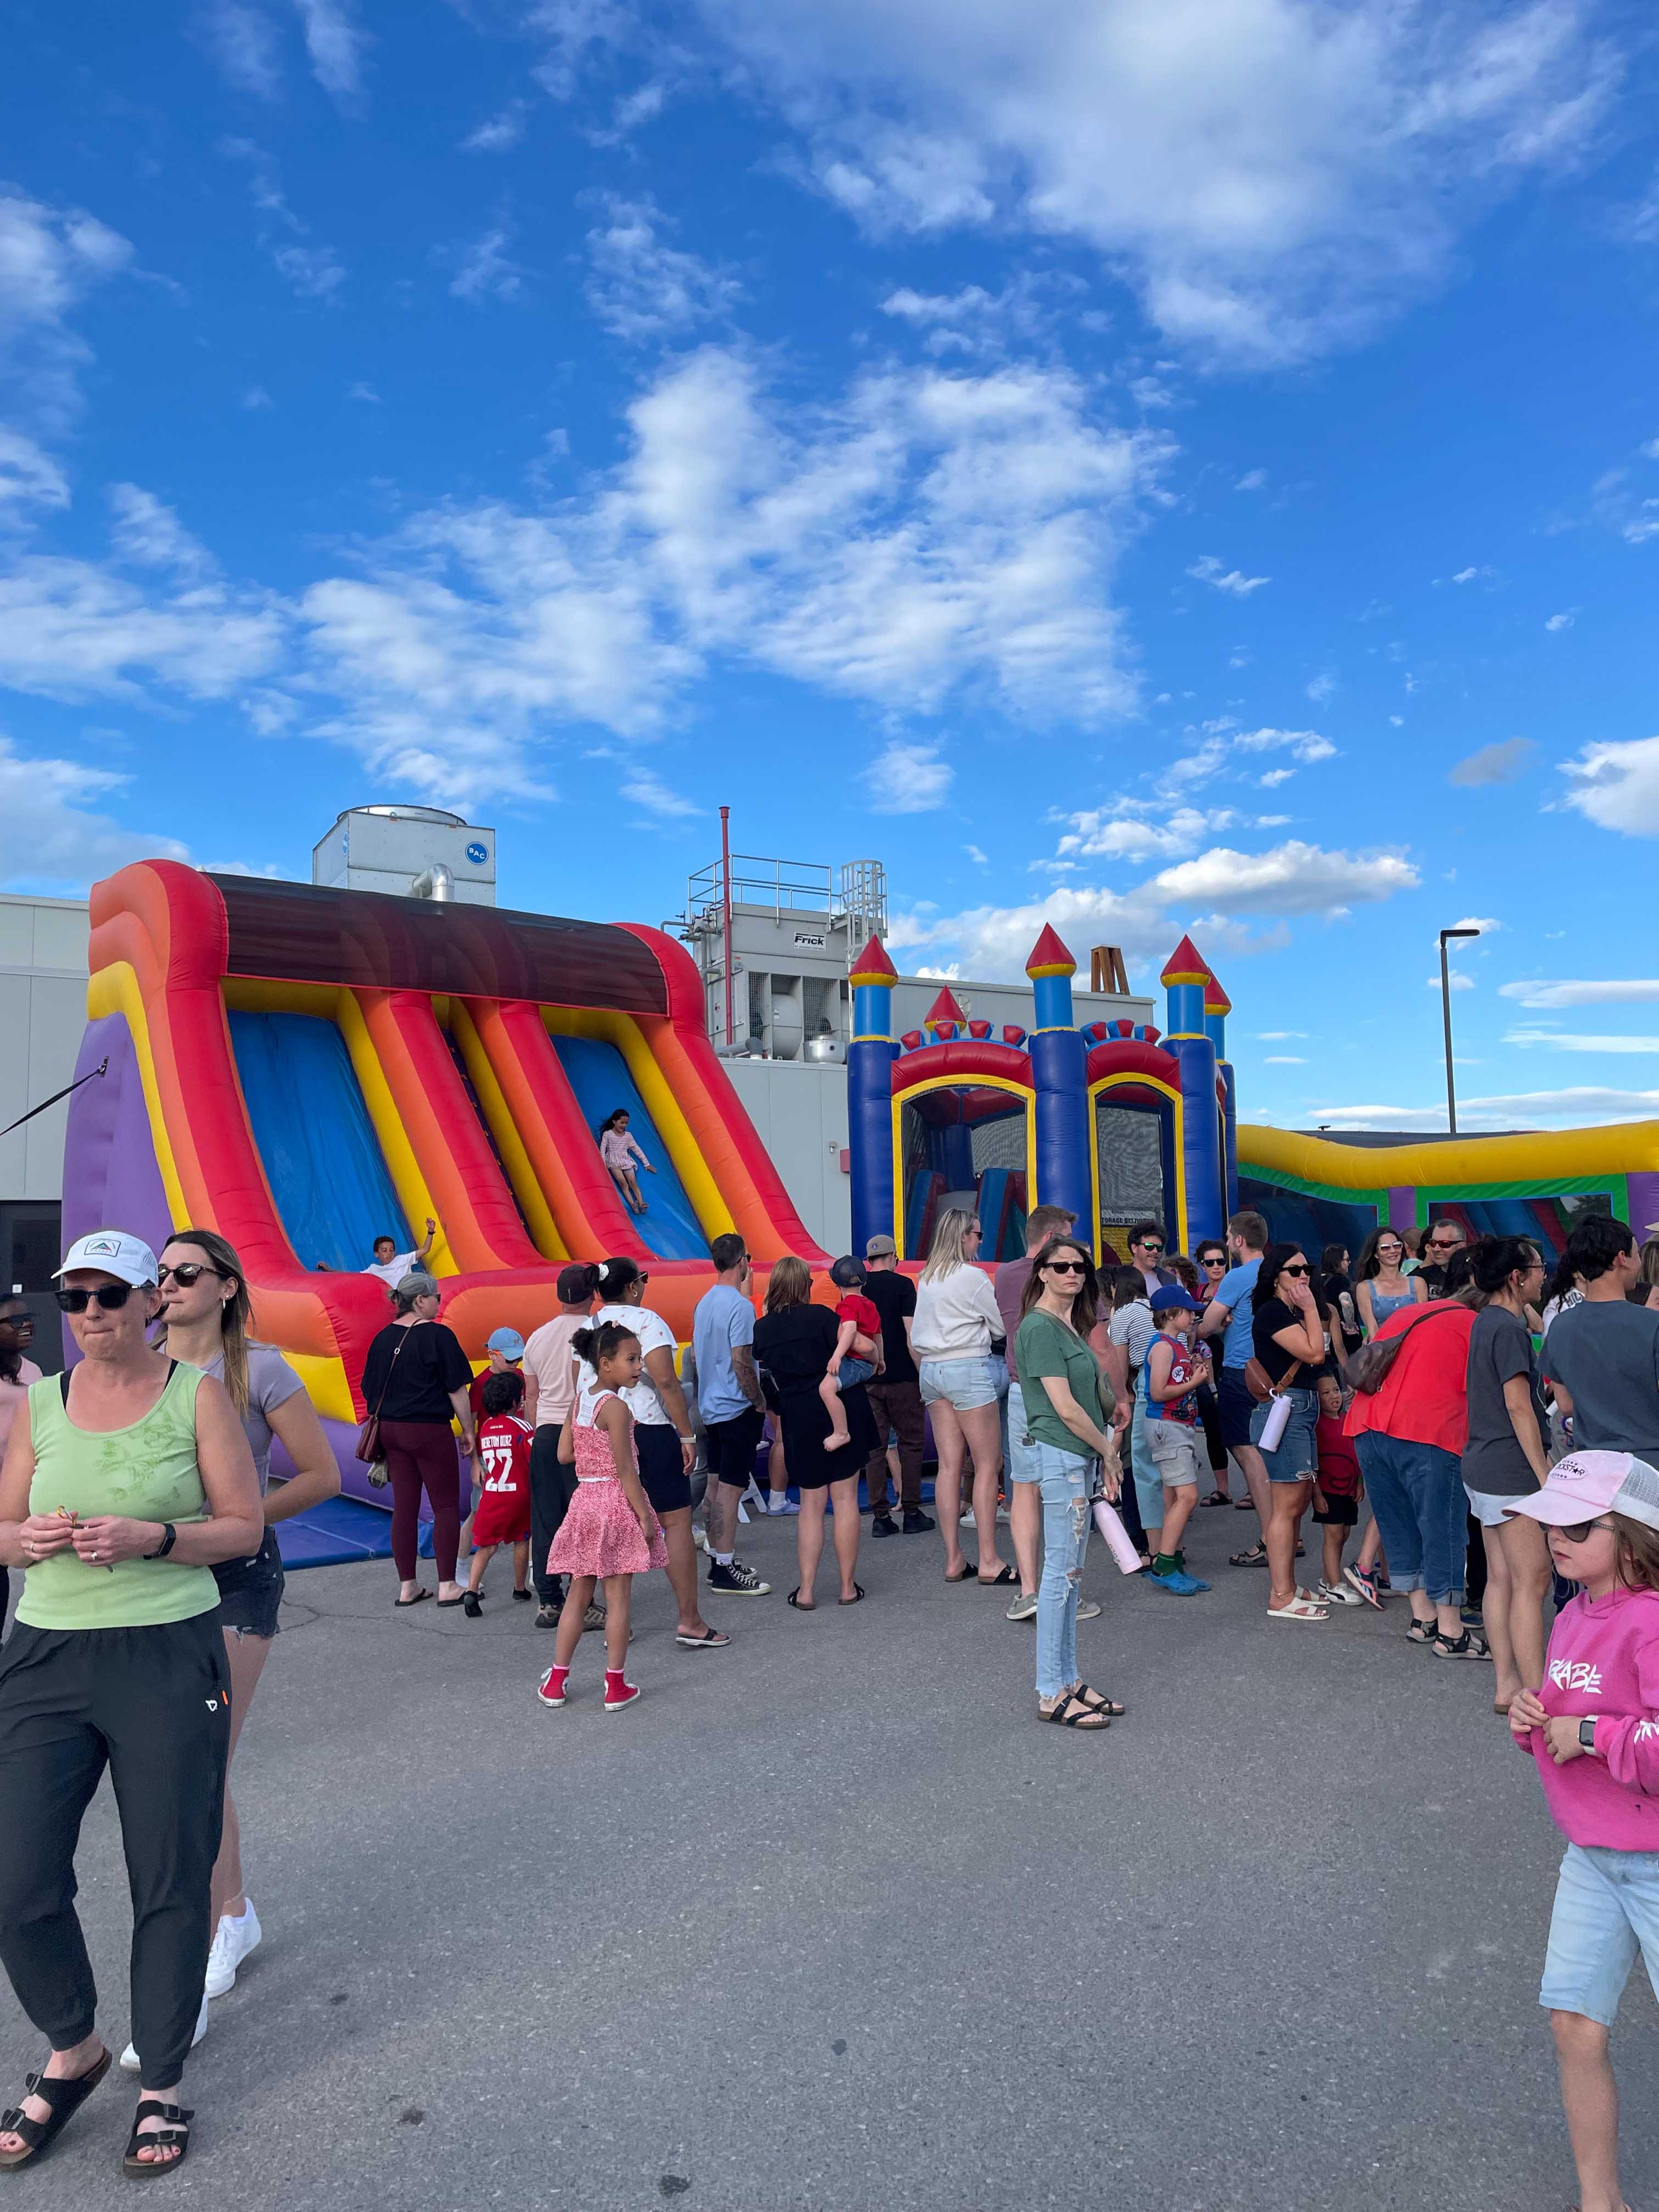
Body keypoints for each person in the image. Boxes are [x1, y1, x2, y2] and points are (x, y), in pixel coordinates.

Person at [0, 1230, 263, 2175]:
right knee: (17, 1876)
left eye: (109, 1295)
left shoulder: (197, 1396)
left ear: (149, 1300)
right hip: (46, 1652)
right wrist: (26, 1538)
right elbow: (2, 1529)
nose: (89, 1314)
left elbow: (243, 1527)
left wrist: (154, 1536)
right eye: (74, 1298)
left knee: (168, 1871)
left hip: (164, 1652)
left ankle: (162, 2083)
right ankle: (73, 2048)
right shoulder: (42, 1401)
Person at [151, 1227, 338, 2041]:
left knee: (201, 1759)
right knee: (187, 1760)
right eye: (162, 1273)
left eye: (186, 1273)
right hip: (158, 1577)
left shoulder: (260, 1369)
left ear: (226, 1286)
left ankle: (216, 1932)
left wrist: (241, 1521)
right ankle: (235, 1909)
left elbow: (322, 1475)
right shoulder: (142, 1367)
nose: (168, 1285)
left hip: (236, 1578)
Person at [1504, 1450, 1659, 2212]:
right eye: (1550, 1525)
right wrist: (1532, 1718)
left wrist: (1593, 1733)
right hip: (1592, 1857)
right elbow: (1560, 1723)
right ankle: (1602, 2204)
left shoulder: (1652, 1621)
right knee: (1573, 2025)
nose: (1555, 1539)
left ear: (1632, 1536)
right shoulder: (1570, 1616)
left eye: (1576, 1526)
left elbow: (1604, 1731)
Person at [582, 1258, 725, 1649]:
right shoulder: (648, 1321)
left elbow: (580, 1386)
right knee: (676, 1522)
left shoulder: (589, 1327)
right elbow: (666, 1381)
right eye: (643, 1280)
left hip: (600, 1430)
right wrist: (687, 1435)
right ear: (633, 1287)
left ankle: (616, 1623)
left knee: (611, 1525)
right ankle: (690, 1620)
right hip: (648, 1430)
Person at [1014, 1235, 1123, 1730]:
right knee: (1060, 1577)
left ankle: (1069, 1679)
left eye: (1080, 1266)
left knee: (1072, 1576)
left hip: (1079, 1455)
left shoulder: (1067, 1324)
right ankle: (1049, 1690)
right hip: (1062, 1456)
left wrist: (1103, 1445)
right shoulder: (1039, 1327)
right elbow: (1064, 1407)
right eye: (1061, 1266)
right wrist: (1109, 1451)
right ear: (1042, 1271)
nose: (1073, 1273)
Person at [1344, 1288, 1485, 1654]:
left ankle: (1423, 1619)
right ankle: (1451, 1631)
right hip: (1429, 1430)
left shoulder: (1408, 1313)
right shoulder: (1475, 1325)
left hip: (1368, 1425)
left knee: (1397, 1523)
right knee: (1443, 1528)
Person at [539, 1322, 669, 1712]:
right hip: (615, 1502)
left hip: (585, 1501)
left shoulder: (579, 1401)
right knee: (618, 1598)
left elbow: (564, 1454)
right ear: (606, 1363)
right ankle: (615, 1685)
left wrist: (592, 1456)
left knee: (578, 1594)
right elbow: (626, 1469)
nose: (639, 1366)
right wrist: (645, 1517)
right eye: (631, 1359)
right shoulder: (617, 1408)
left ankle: (557, 1681)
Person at [753, 1258, 878, 1608]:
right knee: (845, 1499)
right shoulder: (823, 1317)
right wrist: (876, 1357)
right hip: (840, 1408)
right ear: (805, 1286)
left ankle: (806, 1590)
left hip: (799, 1416)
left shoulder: (763, 1329)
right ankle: (847, 1587)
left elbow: (761, 1366)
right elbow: (862, 1346)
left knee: (811, 1504)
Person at [1462, 1237, 1553, 1713]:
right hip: (1511, 1469)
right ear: (1517, 1277)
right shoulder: (1509, 1329)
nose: (1544, 1275)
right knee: (1532, 1580)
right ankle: (1537, 1694)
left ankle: (1508, 1686)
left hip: (1482, 1464)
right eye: (1538, 1268)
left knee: (1500, 1578)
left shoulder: (1485, 1320)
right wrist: (1544, 1474)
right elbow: (1519, 1406)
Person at [359, 1271, 474, 1608]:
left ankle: (407, 1586)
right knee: (445, 1505)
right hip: (428, 1429)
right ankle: (447, 1584)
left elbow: (367, 1388)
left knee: (405, 1507)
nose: (439, 1302)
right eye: (436, 1296)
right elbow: (457, 1389)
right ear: (421, 1300)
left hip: (391, 1430)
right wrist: (468, 1431)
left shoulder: (382, 1338)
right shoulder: (439, 1336)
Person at [912, 1210, 1009, 1584]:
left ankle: (954, 1558)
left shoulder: (928, 1276)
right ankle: (989, 1560)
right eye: (978, 1235)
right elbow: (999, 1326)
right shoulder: (973, 1277)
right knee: (988, 1463)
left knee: (949, 1467)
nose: (980, 1241)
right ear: (964, 1235)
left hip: (932, 1370)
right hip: (967, 1366)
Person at [995, 1206, 1081, 1615]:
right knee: (1069, 1488)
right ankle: (1062, 1592)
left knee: (1025, 1487)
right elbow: (1098, 1342)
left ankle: (1030, 1590)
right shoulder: (1070, 1276)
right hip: (1064, 1389)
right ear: (1050, 1241)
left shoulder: (1004, 1275)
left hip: (1020, 1390)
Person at [1248, 1243, 1333, 1621]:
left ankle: (1288, 1586)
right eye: (1294, 1271)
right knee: (1287, 1504)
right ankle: (1280, 1594)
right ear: (1275, 1277)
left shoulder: (1289, 1312)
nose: (1303, 1277)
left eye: (1307, 1270)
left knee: (1297, 1502)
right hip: (1286, 1411)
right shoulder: (1272, 1312)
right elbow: (1315, 1354)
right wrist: (1312, 1309)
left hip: (1299, 1409)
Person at [692, 1235, 773, 1594]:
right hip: (736, 1405)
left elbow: (698, 1356)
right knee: (731, 1488)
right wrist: (758, 1400)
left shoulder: (704, 1303)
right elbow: (742, 1360)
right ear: (742, 1261)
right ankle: (724, 1566)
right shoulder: (740, 1306)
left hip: (711, 1405)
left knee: (715, 1484)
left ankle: (718, 1558)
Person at [1543, 1217, 1659, 1467]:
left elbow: (1565, 1405)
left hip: (1593, 1465)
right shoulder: (1653, 1324)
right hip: (1649, 1465)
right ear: (1621, 1258)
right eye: (1637, 1254)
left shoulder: (1561, 1326)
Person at [522, 1264, 599, 1630]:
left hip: (546, 1431)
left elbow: (531, 1395)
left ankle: (549, 1600)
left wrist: (537, 1433)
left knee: (546, 1518)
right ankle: (584, 1601)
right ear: (592, 1294)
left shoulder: (537, 1336)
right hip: (583, 1430)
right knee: (586, 1518)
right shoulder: (595, 1332)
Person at [1198, 1209, 1273, 1560]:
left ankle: (1272, 1536)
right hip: (1276, 1371)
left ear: (1239, 1240)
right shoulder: (1278, 1271)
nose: (1228, 1244)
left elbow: (1206, 1326)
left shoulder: (1238, 1277)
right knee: (1274, 1453)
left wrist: (1202, 1327)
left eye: (1229, 1238)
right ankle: (1288, 1535)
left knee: (1245, 1448)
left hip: (1242, 1369)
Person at [859, 1235, 933, 1538]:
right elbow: (910, 1334)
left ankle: (880, 1517)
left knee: (875, 1449)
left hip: (869, 1378)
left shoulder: (860, 1288)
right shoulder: (904, 1286)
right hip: (903, 1378)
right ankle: (912, 1512)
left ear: (868, 1261)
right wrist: (922, 1375)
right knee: (911, 1444)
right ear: (893, 1258)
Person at [1141, 1284, 1211, 1595]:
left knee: (1173, 1497)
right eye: (1188, 1312)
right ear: (1171, 1314)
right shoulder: (1163, 1347)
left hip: (1176, 1426)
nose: (1193, 1317)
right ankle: (1165, 1565)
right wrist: (1195, 1382)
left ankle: (1175, 1563)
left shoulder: (1176, 1344)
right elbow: (1158, 1392)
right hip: (1168, 1426)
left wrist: (1191, 1373)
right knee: (1188, 1496)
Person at [462, 1370, 534, 1615]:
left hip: (492, 1495)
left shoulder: (487, 1428)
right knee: (522, 1539)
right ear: (515, 1402)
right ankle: (520, 1587)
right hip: (518, 1494)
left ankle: (471, 1591)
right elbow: (533, 1458)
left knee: (487, 1546)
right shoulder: (522, 1427)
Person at [0, 1295, 42, 1630]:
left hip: (17, 1482)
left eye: (28, 1318)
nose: (25, 1325)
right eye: (15, 1321)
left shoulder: (35, 1372)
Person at [1310, 1373, 1365, 1606]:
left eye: (1335, 1390)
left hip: (1349, 1490)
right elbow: (1313, 1463)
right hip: (1328, 1490)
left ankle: (1327, 1578)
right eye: (1326, 1393)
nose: (1333, 1396)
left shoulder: (1348, 1419)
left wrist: (1360, 1482)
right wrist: (1317, 1494)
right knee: (1333, 1536)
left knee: (1344, 1535)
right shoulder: (1317, 1426)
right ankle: (1335, 1585)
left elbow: (1357, 1453)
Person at [821, 1255, 881, 1452]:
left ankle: (841, 1432)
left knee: (826, 1389)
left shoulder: (846, 1305)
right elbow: (878, 1335)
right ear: (864, 1282)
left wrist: (837, 1356)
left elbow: (850, 1329)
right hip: (867, 1363)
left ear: (837, 1284)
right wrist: (880, 1360)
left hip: (856, 1362)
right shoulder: (870, 1305)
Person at [1354, 1227, 1427, 1339]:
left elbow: (1423, 1325)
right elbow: (1373, 1330)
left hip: (1415, 1346)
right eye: (1385, 1248)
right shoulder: (1365, 1288)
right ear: (1376, 1254)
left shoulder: (1419, 1283)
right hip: (1382, 1347)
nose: (1393, 1251)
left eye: (1397, 1246)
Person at [597, 1109, 655, 1216]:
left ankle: (641, 1204)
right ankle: (633, 1205)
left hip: (626, 1160)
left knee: (633, 1182)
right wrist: (603, 1165)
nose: (624, 1125)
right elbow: (603, 1149)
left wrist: (646, 1163)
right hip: (614, 1161)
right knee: (623, 1182)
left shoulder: (628, 1136)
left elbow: (637, 1149)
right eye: (622, 1123)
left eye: (626, 1123)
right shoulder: (608, 1134)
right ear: (615, 1122)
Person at [362, 1218, 437, 1290]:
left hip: (409, 1292)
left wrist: (430, 1232)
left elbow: (425, 1250)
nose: (389, 1253)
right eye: (385, 1251)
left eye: (391, 1250)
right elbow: (358, 1278)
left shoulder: (402, 1260)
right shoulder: (374, 1270)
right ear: (377, 1254)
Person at [1320, 1244, 1363, 1363]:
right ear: (1338, 1262)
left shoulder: (1318, 1281)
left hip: (1325, 1342)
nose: (1349, 1263)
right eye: (1347, 1260)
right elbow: (1346, 1301)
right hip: (1347, 1342)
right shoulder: (1340, 1280)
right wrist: (1351, 1327)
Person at [1417, 1219, 1466, 1299]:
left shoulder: (1474, 1277)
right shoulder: (1421, 1277)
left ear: (1461, 1246)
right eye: (1433, 1243)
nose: (1436, 1249)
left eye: (1445, 1244)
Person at [1126, 1222, 1177, 1298]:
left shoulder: (1172, 1281)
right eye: (1149, 1247)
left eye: (1159, 1247)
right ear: (1134, 1248)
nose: (1155, 1251)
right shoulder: (1119, 1279)